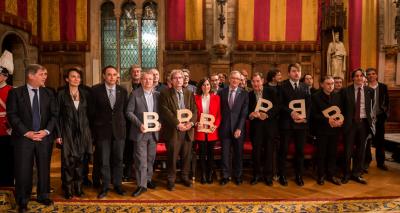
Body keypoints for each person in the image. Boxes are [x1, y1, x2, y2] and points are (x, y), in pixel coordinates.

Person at [7, 64, 58, 211]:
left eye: (46, 74)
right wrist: (26, 132)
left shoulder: (49, 93)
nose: (45, 77)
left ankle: (43, 195)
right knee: (23, 170)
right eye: (42, 74)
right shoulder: (16, 93)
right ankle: (22, 200)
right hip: (23, 138)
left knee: (44, 168)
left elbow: (54, 115)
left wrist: (47, 131)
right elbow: (12, 115)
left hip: (44, 138)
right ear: (31, 75)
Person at [91, 65, 128, 198]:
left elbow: (124, 112)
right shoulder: (95, 90)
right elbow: (91, 113)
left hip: (119, 131)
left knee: (118, 159)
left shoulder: (123, 91)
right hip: (102, 132)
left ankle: (118, 185)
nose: (112, 77)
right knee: (104, 161)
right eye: (109, 74)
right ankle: (105, 187)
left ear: (117, 76)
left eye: (114, 74)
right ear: (104, 76)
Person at [56, 68, 93, 199]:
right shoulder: (61, 94)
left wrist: (89, 134)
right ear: (67, 79)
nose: (76, 79)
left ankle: (78, 188)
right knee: (68, 161)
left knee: (81, 162)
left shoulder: (85, 94)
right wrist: (59, 134)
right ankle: (68, 189)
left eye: (78, 77)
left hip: (83, 131)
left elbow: (90, 115)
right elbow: (57, 116)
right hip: (67, 131)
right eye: (73, 76)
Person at [159, 69, 197, 191]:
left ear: (183, 79)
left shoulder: (189, 93)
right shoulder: (165, 93)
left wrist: (191, 123)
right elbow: (165, 111)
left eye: (180, 77)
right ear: (171, 80)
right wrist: (177, 123)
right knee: (173, 156)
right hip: (173, 130)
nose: (178, 80)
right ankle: (171, 179)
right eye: (175, 78)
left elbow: (195, 110)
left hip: (187, 130)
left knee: (187, 156)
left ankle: (185, 177)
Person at [126, 70, 160, 197]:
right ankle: (141, 185)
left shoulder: (158, 95)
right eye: (145, 79)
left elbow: (160, 113)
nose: (147, 81)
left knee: (150, 159)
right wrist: (139, 124)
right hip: (140, 132)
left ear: (154, 81)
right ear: (141, 81)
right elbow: (129, 112)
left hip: (153, 133)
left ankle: (148, 179)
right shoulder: (135, 94)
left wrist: (160, 123)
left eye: (150, 79)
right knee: (141, 160)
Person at [278, 63, 311, 187]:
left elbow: (309, 106)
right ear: (289, 73)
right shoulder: (282, 86)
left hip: (301, 125)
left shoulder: (305, 86)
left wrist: (304, 118)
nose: (296, 73)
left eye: (298, 71)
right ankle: (282, 175)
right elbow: (280, 105)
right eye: (293, 71)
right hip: (286, 124)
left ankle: (299, 175)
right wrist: (291, 112)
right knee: (284, 151)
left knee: (300, 152)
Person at [340, 69, 374, 185]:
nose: (359, 78)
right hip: (350, 124)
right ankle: (346, 174)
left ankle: (357, 174)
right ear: (353, 78)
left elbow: (371, 108)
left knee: (361, 151)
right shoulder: (345, 91)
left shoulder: (369, 91)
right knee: (348, 151)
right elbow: (341, 109)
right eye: (357, 76)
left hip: (364, 124)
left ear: (364, 78)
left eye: (361, 76)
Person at [248, 72, 279, 186]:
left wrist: (268, 115)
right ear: (251, 83)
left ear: (262, 81)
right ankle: (256, 175)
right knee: (256, 153)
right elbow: (247, 112)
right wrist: (251, 115)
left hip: (269, 128)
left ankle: (268, 176)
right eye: (254, 81)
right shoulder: (249, 94)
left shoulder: (271, 91)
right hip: (256, 129)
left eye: (258, 81)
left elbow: (277, 107)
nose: (256, 84)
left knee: (269, 152)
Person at [310, 76, 342, 185]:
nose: (331, 86)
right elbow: (313, 115)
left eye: (332, 83)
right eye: (328, 83)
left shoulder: (337, 96)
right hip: (321, 130)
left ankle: (331, 175)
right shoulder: (315, 97)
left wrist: (340, 121)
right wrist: (327, 120)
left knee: (332, 153)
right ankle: (321, 175)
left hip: (334, 130)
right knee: (321, 154)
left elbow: (340, 113)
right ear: (322, 84)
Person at [218, 71, 249, 186]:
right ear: (229, 79)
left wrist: (239, 128)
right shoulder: (222, 92)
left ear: (240, 81)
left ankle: (238, 176)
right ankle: (225, 176)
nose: (235, 80)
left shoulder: (244, 94)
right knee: (225, 154)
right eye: (233, 78)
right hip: (224, 128)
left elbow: (244, 113)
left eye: (237, 79)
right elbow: (219, 110)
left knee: (238, 154)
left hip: (238, 129)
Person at [194, 78, 221, 184]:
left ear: (211, 86)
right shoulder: (195, 98)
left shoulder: (216, 98)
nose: (206, 87)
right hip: (200, 130)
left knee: (211, 154)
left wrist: (216, 125)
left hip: (212, 130)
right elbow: (193, 113)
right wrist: (196, 123)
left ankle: (210, 174)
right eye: (204, 85)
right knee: (202, 153)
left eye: (208, 85)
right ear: (201, 87)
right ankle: (203, 174)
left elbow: (219, 115)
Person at [365, 68, 390, 171]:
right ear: (366, 76)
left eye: (373, 74)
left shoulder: (383, 87)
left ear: (376, 75)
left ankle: (381, 162)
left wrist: (385, 115)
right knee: (367, 141)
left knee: (380, 141)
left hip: (379, 117)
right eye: (369, 74)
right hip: (367, 118)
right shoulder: (364, 87)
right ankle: (366, 162)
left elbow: (387, 102)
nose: (371, 76)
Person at [123, 65, 142, 182]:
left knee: (140, 149)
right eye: (134, 71)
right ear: (131, 73)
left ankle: (139, 173)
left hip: (142, 122)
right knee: (128, 149)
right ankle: (127, 172)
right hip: (128, 122)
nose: (136, 73)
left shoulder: (145, 85)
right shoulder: (124, 86)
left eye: (138, 71)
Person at [0, 66, 13, 186]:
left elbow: (13, 110)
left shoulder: (11, 90)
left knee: (7, 157)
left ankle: (8, 183)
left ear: (5, 76)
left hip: (6, 127)